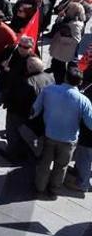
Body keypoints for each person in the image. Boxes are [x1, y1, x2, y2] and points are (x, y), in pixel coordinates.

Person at [31, 67, 92, 198]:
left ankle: (39, 188)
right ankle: (54, 189)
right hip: (69, 140)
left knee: (44, 164)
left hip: (49, 135)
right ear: (80, 82)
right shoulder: (84, 101)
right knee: (61, 166)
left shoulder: (48, 90)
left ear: (65, 77)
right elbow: (90, 123)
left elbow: (34, 110)